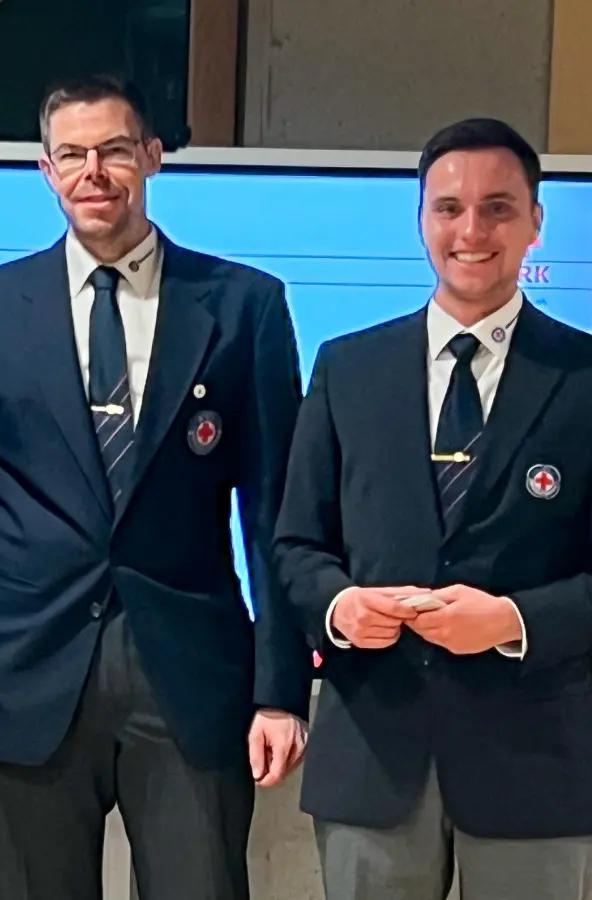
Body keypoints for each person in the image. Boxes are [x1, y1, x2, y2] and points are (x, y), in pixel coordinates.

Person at [0, 74, 313, 900]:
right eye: (72, 154)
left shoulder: (244, 306)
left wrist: (281, 691)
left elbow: (275, 517)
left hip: (191, 675)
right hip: (21, 673)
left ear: (152, 158)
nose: (93, 171)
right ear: (46, 171)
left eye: (114, 150)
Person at [274, 117, 592, 900]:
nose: (471, 230)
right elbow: (294, 545)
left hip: (537, 763)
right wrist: (341, 605)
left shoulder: (584, 377)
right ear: (422, 219)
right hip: (375, 756)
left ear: (535, 224)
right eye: (449, 208)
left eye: (498, 207)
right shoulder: (347, 368)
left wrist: (513, 622)